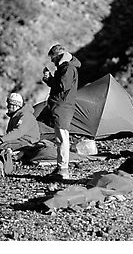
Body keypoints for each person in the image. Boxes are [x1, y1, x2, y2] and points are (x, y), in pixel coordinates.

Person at [37, 44, 81, 180]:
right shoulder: (66, 67)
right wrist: (49, 79)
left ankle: (63, 170)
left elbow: (62, 86)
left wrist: (50, 79)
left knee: (62, 138)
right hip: (62, 106)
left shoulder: (68, 68)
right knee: (60, 137)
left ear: (58, 56)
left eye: (52, 57)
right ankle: (60, 167)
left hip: (63, 106)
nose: (52, 61)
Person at [0, 93, 41, 173]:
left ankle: (6, 166)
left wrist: (2, 139)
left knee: (4, 146)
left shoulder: (25, 116)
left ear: (16, 105)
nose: (7, 106)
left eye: (9, 104)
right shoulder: (15, 116)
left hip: (28, 142)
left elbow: (18, 132)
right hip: (19, 140)